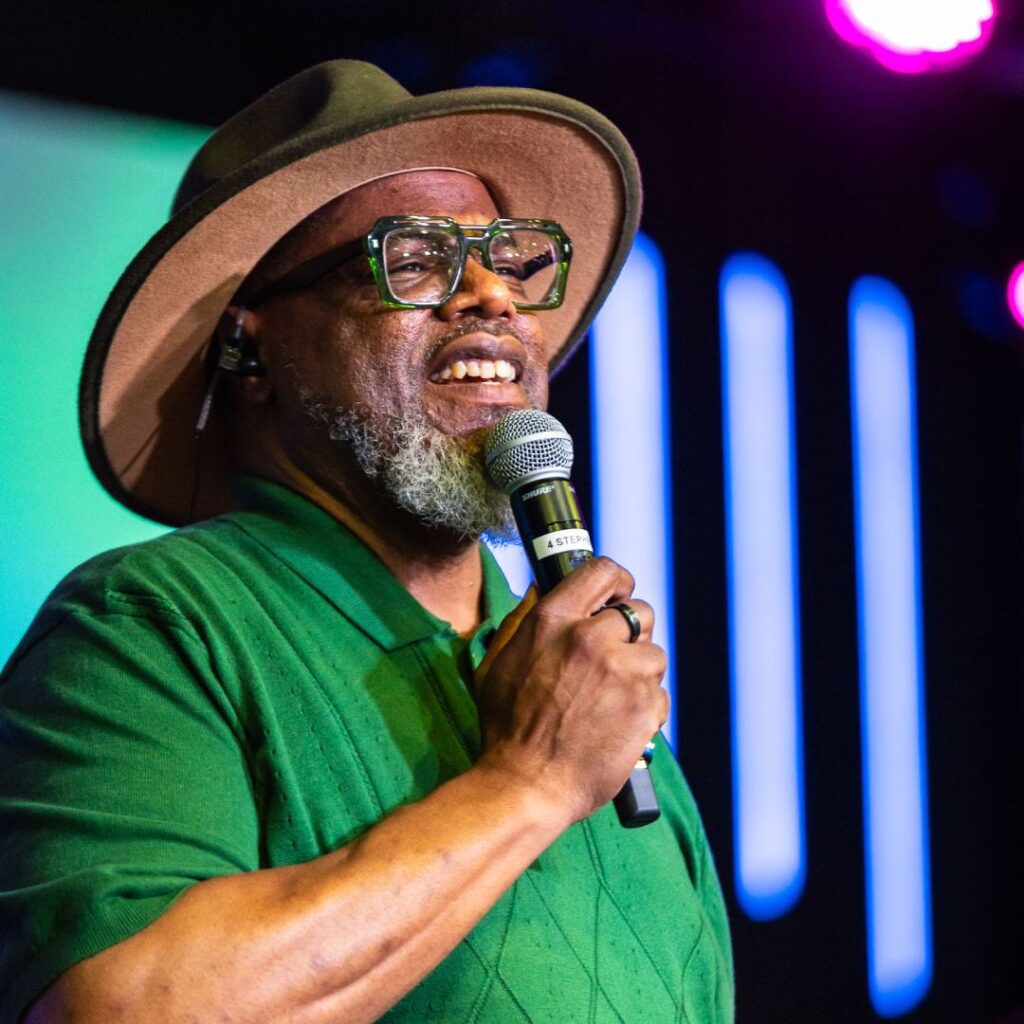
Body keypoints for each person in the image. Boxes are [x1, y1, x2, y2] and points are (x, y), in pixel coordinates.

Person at [0, 60, 734, 1023]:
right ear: (250, 347)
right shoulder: (153, 623)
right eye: (417, 258)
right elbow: (122, 1007)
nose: (494, 297)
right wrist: (527, 785)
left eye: (511, 260)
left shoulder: (605, 695)